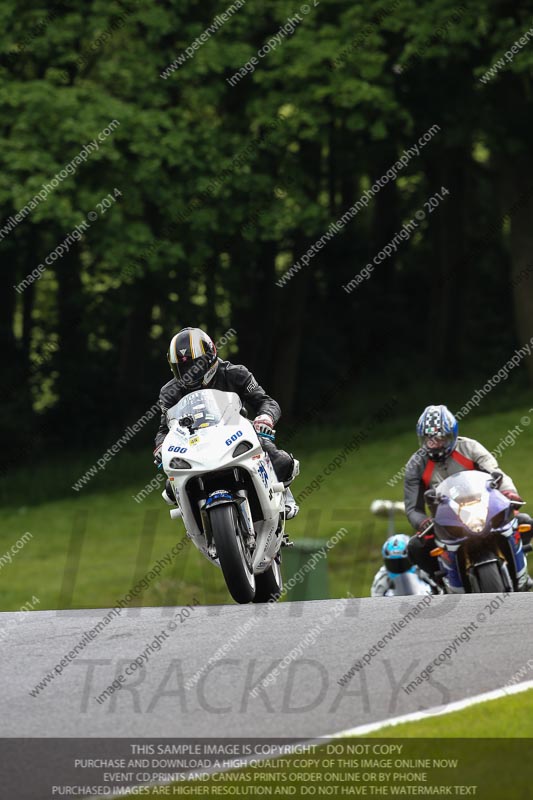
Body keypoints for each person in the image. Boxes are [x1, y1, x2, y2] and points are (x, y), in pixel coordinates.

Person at [153, 326, 299, 520]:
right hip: (192, 443)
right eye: (182, 367)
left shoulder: (235, 373)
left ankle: (284, 494)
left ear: (210, 355)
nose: (189, 372)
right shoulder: (169, 391)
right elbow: (164, 428)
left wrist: (265, 418)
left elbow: (266, 401)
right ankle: (193, 519)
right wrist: (161, 446)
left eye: (194, 365)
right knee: (171, 488)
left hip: (235, 431)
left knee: (279, 460)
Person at [405, 404, 531, 590]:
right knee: (416, 547)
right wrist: (422, 522)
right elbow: (412, 508)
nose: (435, 443)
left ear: (452, 434)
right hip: (445, 521)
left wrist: (508, 492)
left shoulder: (470, 448)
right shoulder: (415, 465)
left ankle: (521, 567)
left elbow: (495, 472)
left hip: (483, 508)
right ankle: (439, 581)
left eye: (441, 438)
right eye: (429, 439)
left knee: (525, 522)